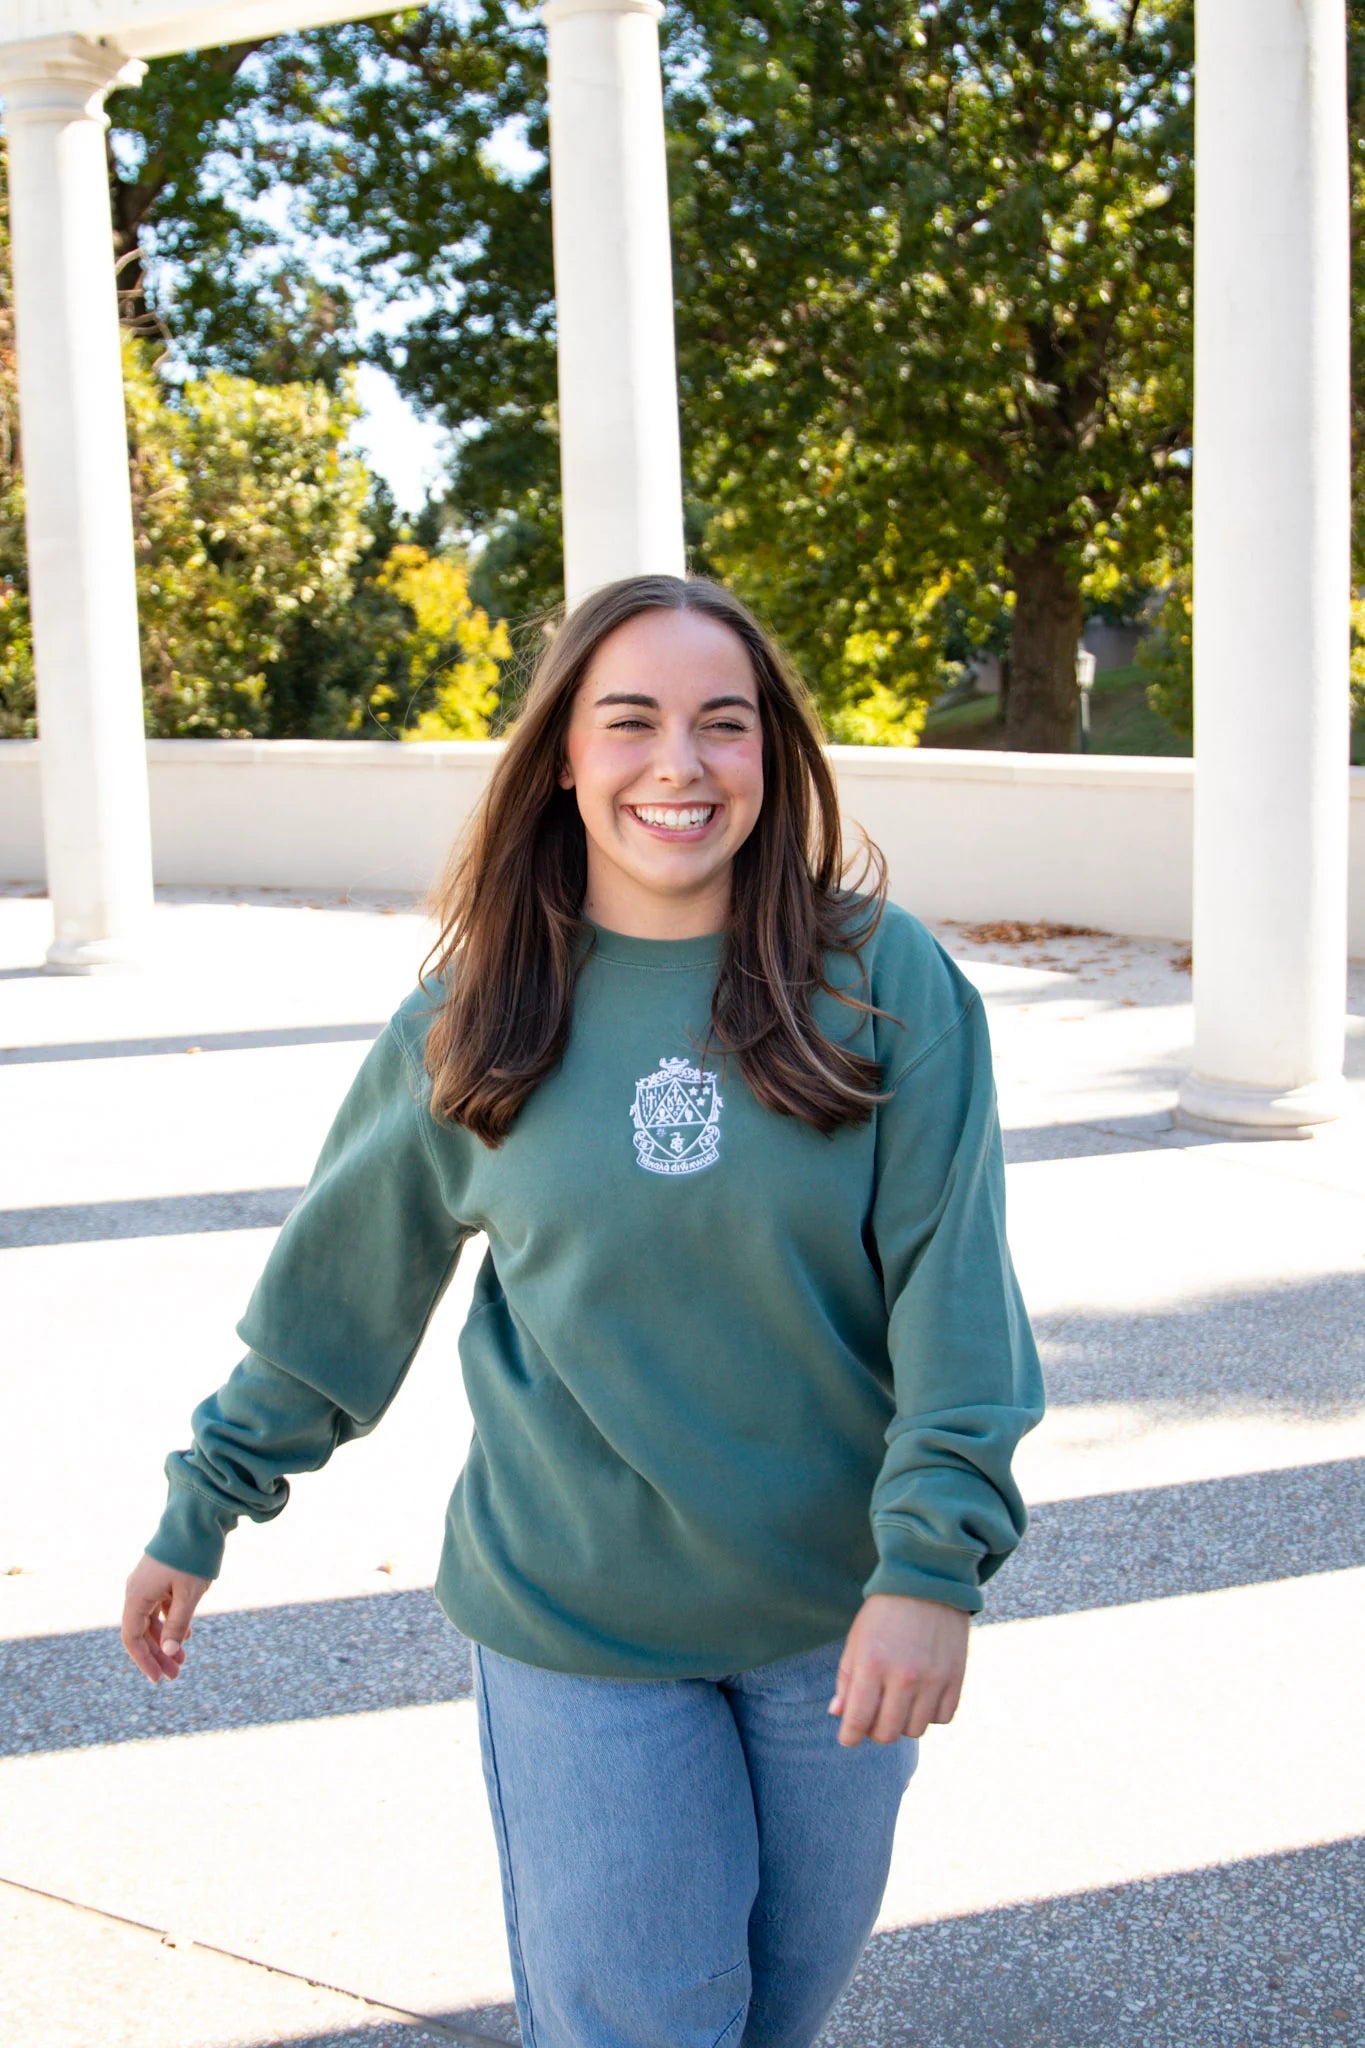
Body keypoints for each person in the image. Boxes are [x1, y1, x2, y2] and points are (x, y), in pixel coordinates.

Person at [122, 572, 1044, 2048]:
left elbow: (955, 1288)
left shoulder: (880, 982)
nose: (677, 763)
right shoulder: (475, 1013)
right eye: (630, 721)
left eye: (720, 724)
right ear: (562, 753)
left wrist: (931, 1568)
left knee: (775, 2009)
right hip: (574, 1617)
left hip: (836, 1619)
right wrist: (208, 1498)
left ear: (772, 756)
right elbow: (341, 1292)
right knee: (649, 2027)